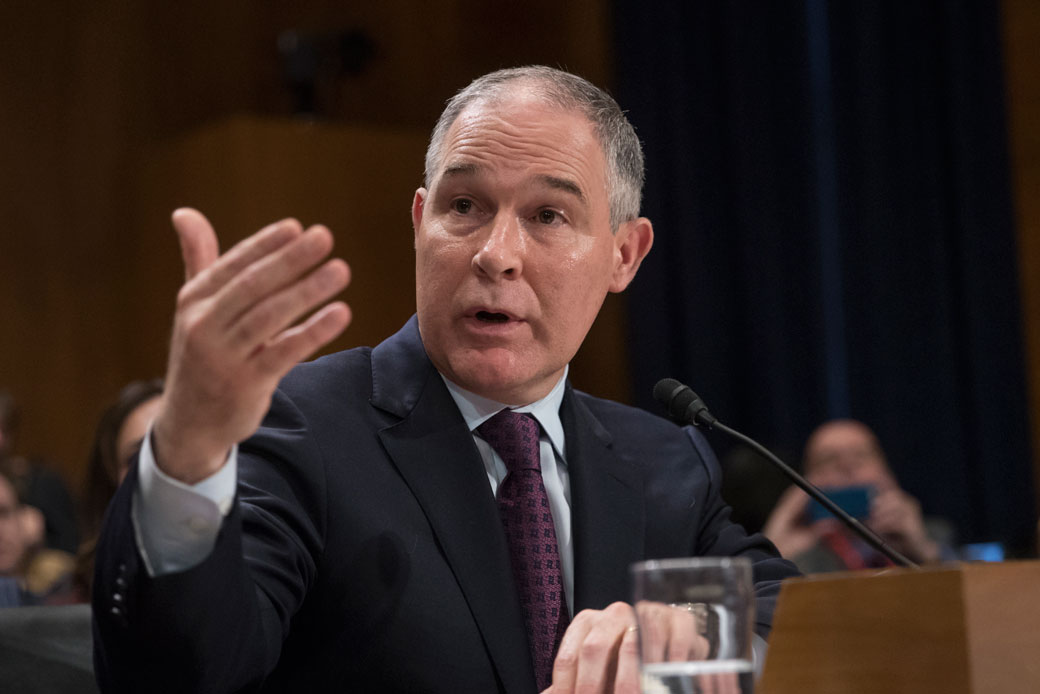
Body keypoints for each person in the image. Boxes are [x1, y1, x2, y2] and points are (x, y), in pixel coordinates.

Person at [93, 66, 800, 693]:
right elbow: (184, 670)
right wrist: (186, 454)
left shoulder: (663, 465)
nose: (496, 255)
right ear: (419, 220)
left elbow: (791, 614)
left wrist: (694, 628)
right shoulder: (298, 426)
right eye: (463, 207)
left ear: (624, 255)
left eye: (547, 215)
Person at [763, 419, 952, 572]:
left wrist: (923, 550)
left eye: (860, 456)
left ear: (885, 471)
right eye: (829, 460)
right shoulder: (797, 548)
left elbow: (968, 597)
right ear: (806, 482)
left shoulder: (933, 534)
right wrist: (772, 554)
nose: (847, 467)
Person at [72, 379, 163, 601]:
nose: (161, 470)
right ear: (112, 484)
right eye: (136, 458)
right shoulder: (69, 601)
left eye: (175, 448)